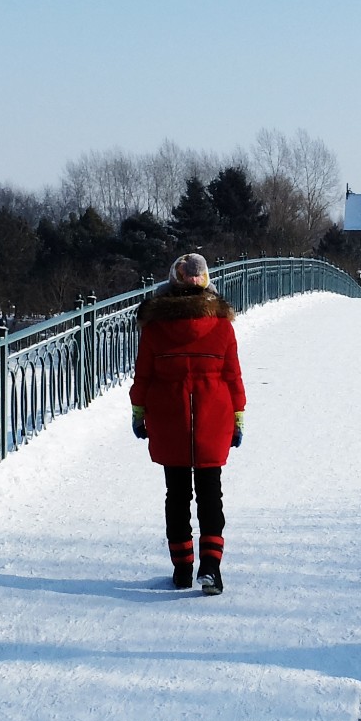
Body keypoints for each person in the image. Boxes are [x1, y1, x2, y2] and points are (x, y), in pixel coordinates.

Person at [129, 253, 246, 594]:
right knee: (211, 494)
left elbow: (144, 376)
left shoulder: (155, 327)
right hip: (214, 417)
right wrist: (238, 414)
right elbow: (233, 376)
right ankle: (211, 568)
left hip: (169, 418)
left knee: (176, 496)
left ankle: (182, 569)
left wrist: (138, 412)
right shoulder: (222, 326)